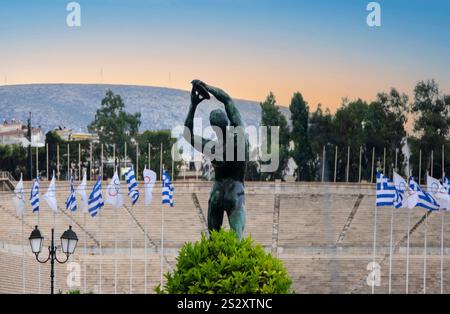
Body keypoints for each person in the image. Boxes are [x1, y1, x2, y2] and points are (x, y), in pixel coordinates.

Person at [184, 80, 247, 239]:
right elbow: (227, 100)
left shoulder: (211, 147)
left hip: (217, 194)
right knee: (237, 242)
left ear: (212, 127)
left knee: (213, 241)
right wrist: (208, 88)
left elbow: (187, 134)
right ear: (227, 122)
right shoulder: (238, 137)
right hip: (235, 192)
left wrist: (193, 105)